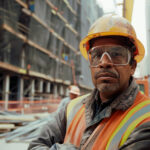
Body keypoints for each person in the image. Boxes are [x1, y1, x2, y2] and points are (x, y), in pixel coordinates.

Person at [28, 15, 150, 150]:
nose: (104, 63)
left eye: (116, 54)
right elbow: (35, 146)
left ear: (132, 66)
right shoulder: (71, 109)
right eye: (97, 55)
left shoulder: (145, 117)